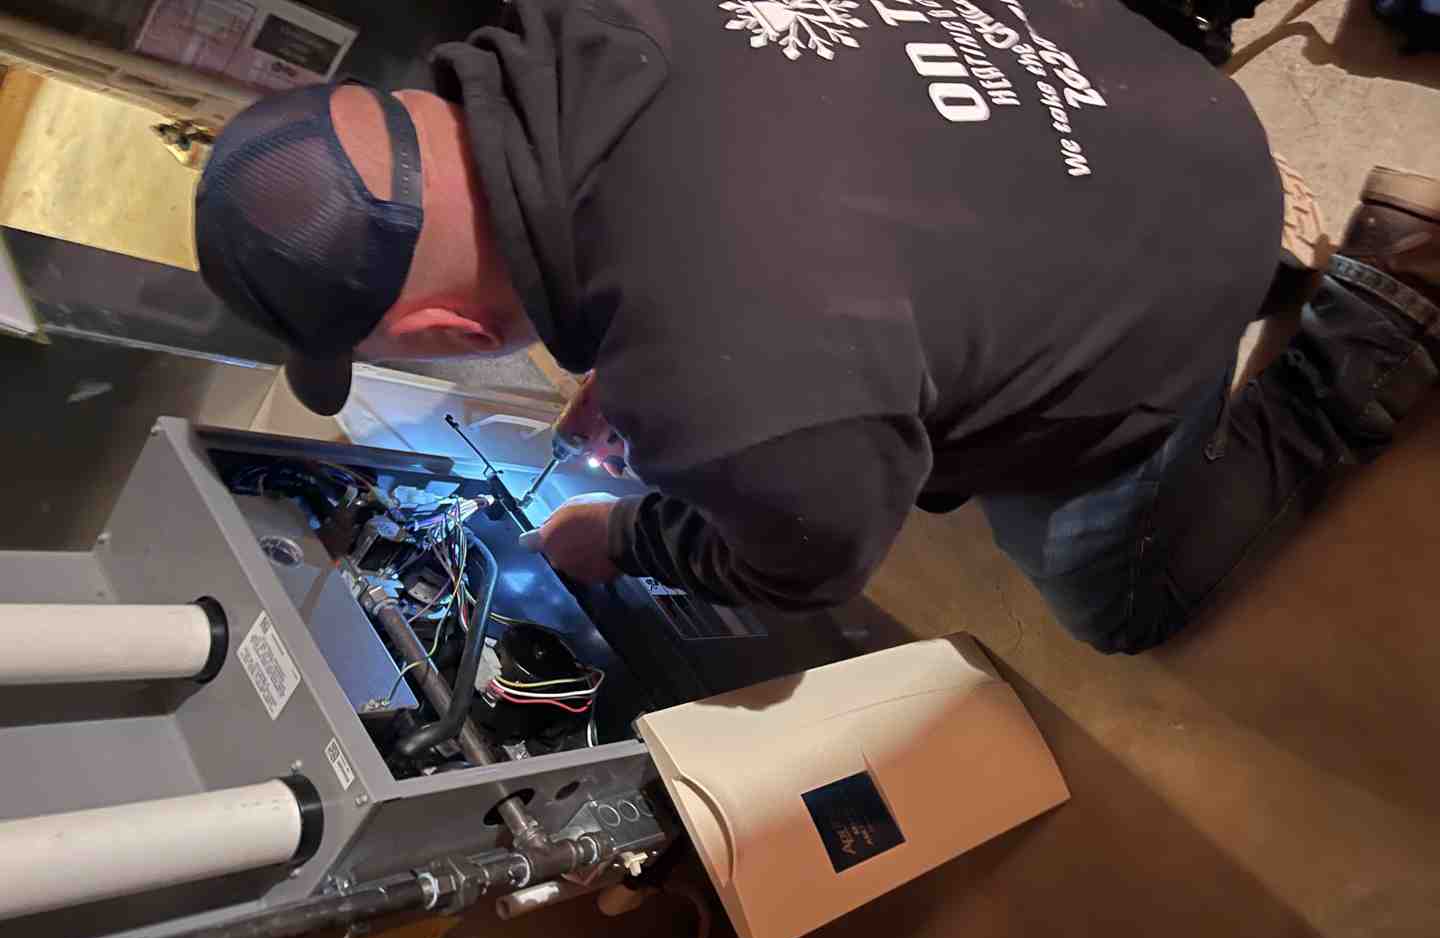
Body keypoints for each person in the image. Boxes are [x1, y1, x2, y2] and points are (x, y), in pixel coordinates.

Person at [193, 0, 1439, 654]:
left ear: (452, 324)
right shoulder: (588, 17)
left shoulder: (733, 405)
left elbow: (809, 561)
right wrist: (688, 356)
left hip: (1197, 227)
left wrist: (622, 535)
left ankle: (1381, 314)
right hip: (1147, 85)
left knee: (1111, 595)